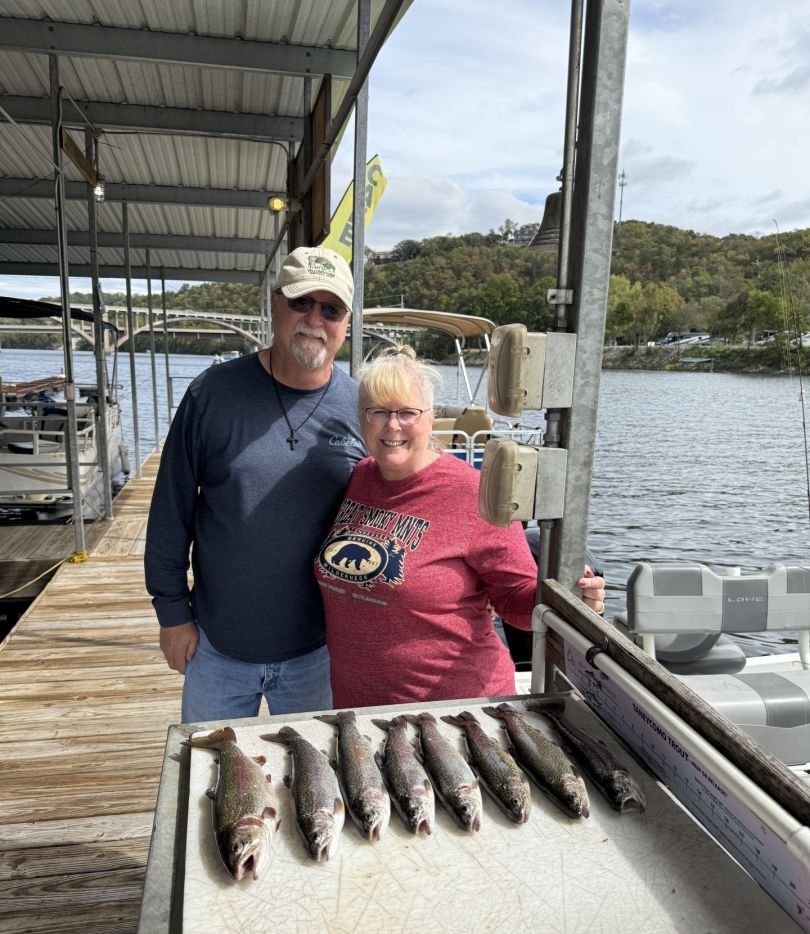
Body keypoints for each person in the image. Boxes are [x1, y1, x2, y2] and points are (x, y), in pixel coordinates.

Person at [315, 345, 606, 708]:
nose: (392, 425)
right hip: (359, 708)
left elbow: (515, 598)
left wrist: (571, 600)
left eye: (407, 413)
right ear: (361, 417)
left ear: (430, 418)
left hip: (457, 710)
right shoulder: (360, 477)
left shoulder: (475, 493)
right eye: (378, 412)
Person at [145, 245, 365, 723]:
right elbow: (169, 511)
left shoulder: (363, 407)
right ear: (274, 302)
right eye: (301, 302)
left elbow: (401, 505)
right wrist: (172, 613)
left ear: (346, 323)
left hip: (320, 652)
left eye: (331, 310)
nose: (314, 320)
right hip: (216, 649)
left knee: (319, 772)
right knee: (209, 770)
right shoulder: (211, 393)